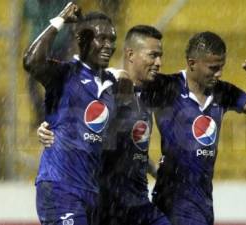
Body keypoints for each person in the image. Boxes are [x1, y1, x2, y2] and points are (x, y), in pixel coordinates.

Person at [140, 31, 246, 225]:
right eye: (213, 68)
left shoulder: (223, 92)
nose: (219, 74)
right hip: (171, 200)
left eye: (221, 67)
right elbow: (125, 93)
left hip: (203, 202)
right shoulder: (165, 87)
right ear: (192, 63)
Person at [37, 25, 171, 225]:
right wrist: (48, 127)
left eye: (160, 56)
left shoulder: (146, 96)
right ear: (131, 54)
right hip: (110, 206)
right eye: (153, 55)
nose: (159, 63)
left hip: (138, 204)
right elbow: (79, 121)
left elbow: (130, 149)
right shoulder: (106, 90)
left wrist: (155, 171)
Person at [23, 3, 118, 225]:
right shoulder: (64, 74)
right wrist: (60, 20)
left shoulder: (112, 84)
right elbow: (31, 61)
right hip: (60, 187)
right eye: (101, 38)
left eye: (112, 39)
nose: (108, 45)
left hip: (91, 192)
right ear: (82, 41)